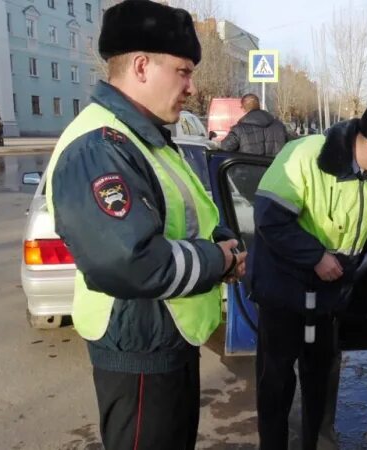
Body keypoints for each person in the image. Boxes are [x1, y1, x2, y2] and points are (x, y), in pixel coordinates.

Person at [43, 1, 246, 449]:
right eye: (183, 71)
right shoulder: (100, 144)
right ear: (140, 66)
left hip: (165, 341)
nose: (192, 87)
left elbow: (192, 215)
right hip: (139, 350)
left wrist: (222, 241)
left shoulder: (146, 136)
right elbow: (130, 260)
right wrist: (218, 259)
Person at [248, 100, 367, 450]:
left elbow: (355, 225)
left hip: (326, 299)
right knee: (277, 379)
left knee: (320, 376)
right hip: (284, 294)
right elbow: (269, 219)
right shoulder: (305, 155)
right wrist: (315, 257)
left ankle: (315, 441)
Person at [220, 93, 294, 156]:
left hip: (249, 170)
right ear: (259, 105)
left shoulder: (238, 130)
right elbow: (291, 146)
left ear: (243, 108)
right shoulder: (279, 126)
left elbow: (225, 148)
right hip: (276, 170)